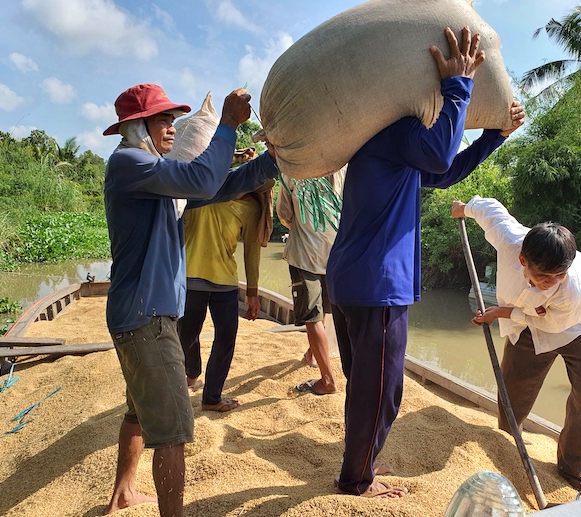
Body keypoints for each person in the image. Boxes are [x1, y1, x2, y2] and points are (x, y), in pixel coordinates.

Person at [325, 26, 525, 498]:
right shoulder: (396, 133)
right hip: (376, 285)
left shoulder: (388, 148)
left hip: (355, 279)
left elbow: (445, 169)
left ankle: (364, 465)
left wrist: (494, 137)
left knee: (365, 386)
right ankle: (356, 481)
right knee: (382, 394)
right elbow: (439, 154)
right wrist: (459, 84)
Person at [102, 83, 277, 517]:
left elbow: (217, 186)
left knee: (139, 409)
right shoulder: (131, 163)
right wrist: (229, 125)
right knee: (176, 432)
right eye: (162, 120)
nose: (170, 128)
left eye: (172, 121)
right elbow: (201, 178)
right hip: (147, 318)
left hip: (139, 315)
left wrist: (274, 161)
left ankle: (124, 491)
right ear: (135, 126)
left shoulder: (155, 175)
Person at [451, 196, 581, 491]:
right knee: (512, 392)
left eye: (558, 275)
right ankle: (508, 446)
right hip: (527, 322)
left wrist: (500, 312)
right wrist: (464, 208)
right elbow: (490, 211)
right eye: (544, 275)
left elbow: (551, 323)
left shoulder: (574, 287)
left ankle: (578, 473)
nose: (552, 281)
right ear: (523, 261)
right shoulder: (511, 240)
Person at [177, 179, 274, 412]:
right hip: (191, 278)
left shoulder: (251, 208)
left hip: (226, 283)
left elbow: (251, 251)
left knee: (226, 337)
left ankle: (211, 397)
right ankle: (185, 380)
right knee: (185, 337)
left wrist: (252, 292)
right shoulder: (204, 192)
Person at [276, 168, 346, 396]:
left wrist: (306, 226)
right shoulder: (344, 168)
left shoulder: (292, 170)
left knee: (312, 316)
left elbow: (284, 214)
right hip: (337, 254)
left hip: (304, 255)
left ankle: (327, 381)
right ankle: (312, 354)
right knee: (323, 308)